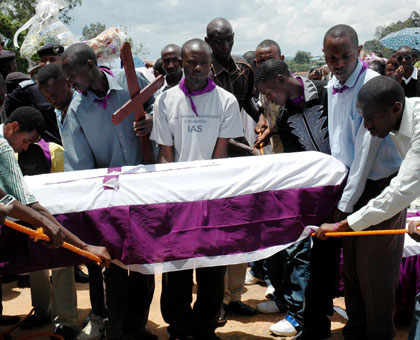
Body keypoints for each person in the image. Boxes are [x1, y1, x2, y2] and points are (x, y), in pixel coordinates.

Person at [295, 25, 402, 340]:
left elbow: (365, 156)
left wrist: (343, 207)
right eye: (331, 57)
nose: (338, 64)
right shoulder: (332, 84)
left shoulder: (372, 87)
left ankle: (379, 333)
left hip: (379, 185)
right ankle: (357, 329)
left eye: (345, 56)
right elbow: (340, 145)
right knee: (353, 268)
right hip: (348, 184)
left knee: (376, 271)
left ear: (359, 51)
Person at [61, 43, 156, 340]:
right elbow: (80, 166)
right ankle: (114, 330)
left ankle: (136, 327)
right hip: (110, 198)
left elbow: (160, 110)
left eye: (72, 74)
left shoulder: (133, 82)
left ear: (91, 65)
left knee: (144, 265)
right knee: (114, 268)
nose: (70, 82)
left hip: (144, 189)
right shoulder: (77, 110)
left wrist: (152, 122)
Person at [151, 38, 243, 340]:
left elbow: (220, 154)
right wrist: (170, 197)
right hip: (177, 198)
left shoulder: (227, 101)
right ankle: (178, 328)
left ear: (211, 65)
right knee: (176, 268)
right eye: (191, 62)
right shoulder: (165, 101)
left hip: (211, 197)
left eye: (204, 62)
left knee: (211, 270)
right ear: (181, 61)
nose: (198, 68)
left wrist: (209, 197)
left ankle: (204, 328)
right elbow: (165, 152)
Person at [316, 75, 416, 339]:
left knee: (377, 280)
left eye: (371, 118)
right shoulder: (396, 121)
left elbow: (400, 191)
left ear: (395, 108)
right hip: (368, 195)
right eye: (362, 118)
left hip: (384, 193)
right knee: (355, 273)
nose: (366, 126)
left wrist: (342, 224)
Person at [0, 106, 111, 339]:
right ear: (13, 127)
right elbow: (23, 203)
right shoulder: (3, 148)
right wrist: (82, 245)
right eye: (27, 141)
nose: (24, 148)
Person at [253, 58, 328, 337]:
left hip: (348, 188)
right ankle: (302, 315)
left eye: (268, 92)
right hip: (316, 196)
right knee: (304, 253)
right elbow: (299, 163)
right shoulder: (284, 116)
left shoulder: (325, 94)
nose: (267, 99)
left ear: (281, 81)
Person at [205, 18, 258, 322]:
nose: (225, 47)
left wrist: (262, 117)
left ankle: (235, 294)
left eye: (230, 40)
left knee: (239, 228)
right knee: (215, 232)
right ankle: (215, 302)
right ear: (208, 40)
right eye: (219, 41)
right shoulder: (202, 72)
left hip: (239, 160)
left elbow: (247, 101)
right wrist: (246, 150)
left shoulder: (243, 70)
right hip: (214, 160)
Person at [5, 44, 63, 145]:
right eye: (43, 60)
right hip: (49, 154)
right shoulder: (30, 89)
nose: (47, 64)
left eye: (52, 59)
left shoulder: (76, 86)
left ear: (62, 61)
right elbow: (6, 108)